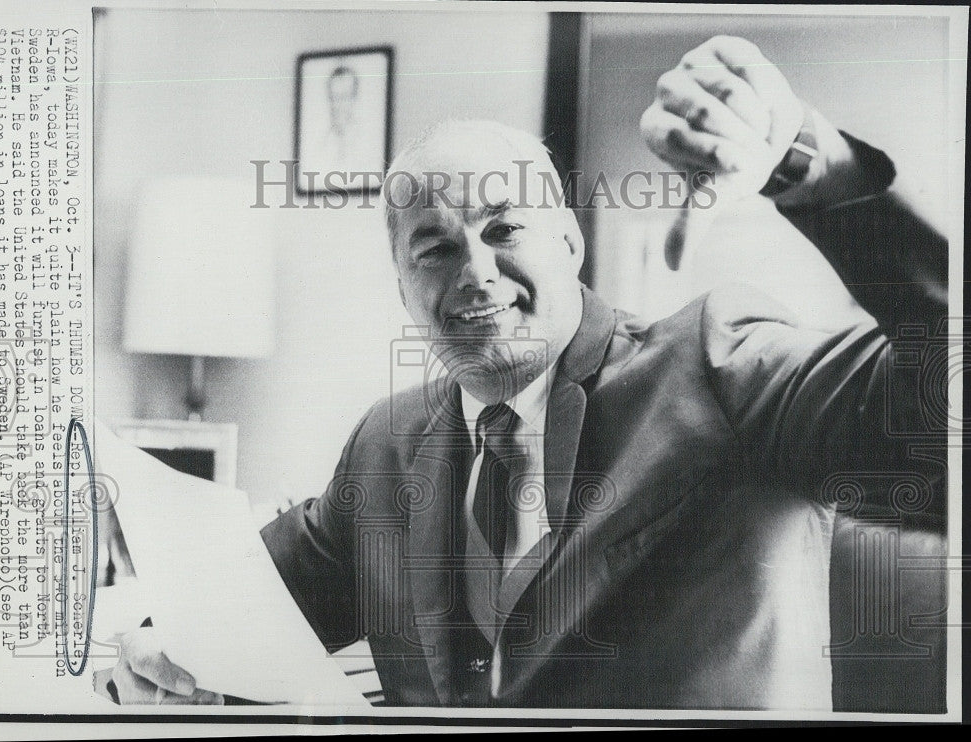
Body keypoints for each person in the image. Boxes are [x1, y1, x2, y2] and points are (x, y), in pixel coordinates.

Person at [98, 36, 947, 709]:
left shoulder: (722, 361)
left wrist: (812, 164)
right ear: (404, 289)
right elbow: (243, 602)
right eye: (433, 247)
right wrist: (151, 641)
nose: (473, 269)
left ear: (572, 243)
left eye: (504, 230)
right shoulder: (385, 442)